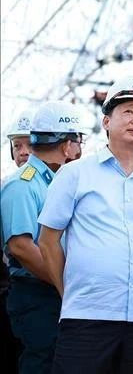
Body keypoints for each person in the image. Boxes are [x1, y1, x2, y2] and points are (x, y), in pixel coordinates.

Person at [37, 76, 133, 374]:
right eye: (128, 111)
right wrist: (68, 290)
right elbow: (48, 240)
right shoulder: (74, 174)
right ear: (106, 122)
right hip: (86, 315)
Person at [1, 101, 85, 374]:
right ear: (67, 145)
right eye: (79, 140)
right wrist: (64, 283)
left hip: (55, 292)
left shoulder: (57, 181)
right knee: (42, 363)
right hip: (37, 296)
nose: (80, 149)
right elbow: (21, 246)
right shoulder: (23, 184)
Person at [2, 110, 33, 373]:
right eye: (17, 146)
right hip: (19, 287)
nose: (23, 152)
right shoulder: (10, 188)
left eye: (29, 144)